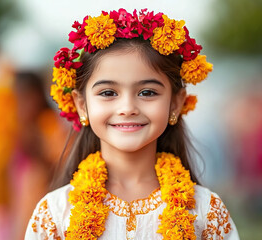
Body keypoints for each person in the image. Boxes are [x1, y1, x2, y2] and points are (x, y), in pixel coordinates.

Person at [25, 8, 239, 240]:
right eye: (108, 92)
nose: (127, 108)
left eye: (147, 92)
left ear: (176, 103)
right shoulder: (55, 214)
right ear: (81, 104)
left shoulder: (206, 212)